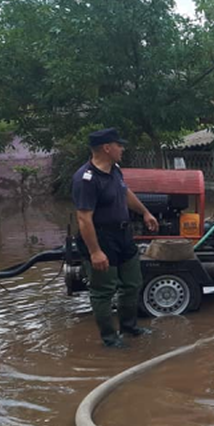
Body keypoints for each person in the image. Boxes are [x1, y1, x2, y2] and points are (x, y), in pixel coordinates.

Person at [72, 128, 159, 348]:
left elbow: (124, 192)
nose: (122, 148)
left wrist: (145, 212)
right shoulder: (86, 179)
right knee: (104, 290)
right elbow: (83, 219)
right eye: (119, 145)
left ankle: (129, 328)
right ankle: (110, 339)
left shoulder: (115, 170)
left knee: (132, 283)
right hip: (100, 238)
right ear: (106, 148)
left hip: (123, 234)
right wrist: (95, 251)